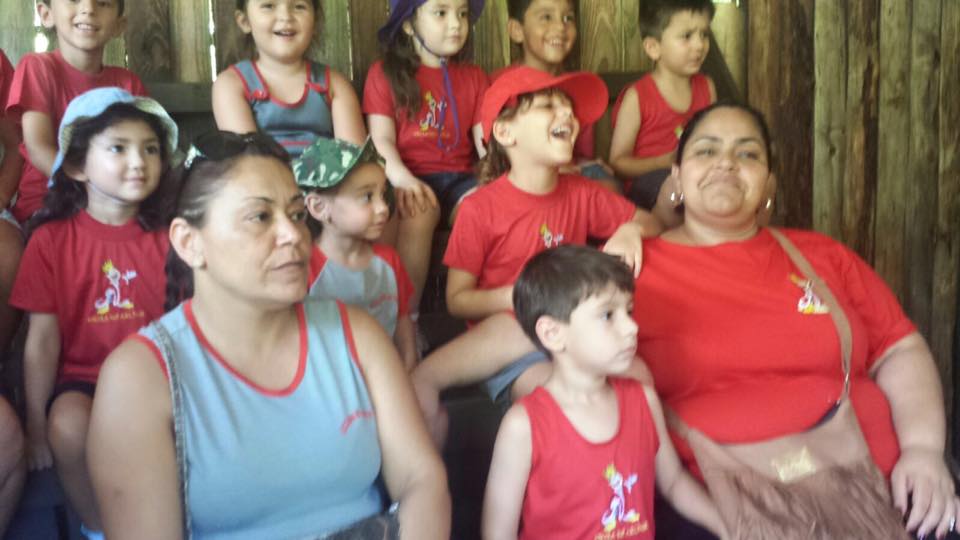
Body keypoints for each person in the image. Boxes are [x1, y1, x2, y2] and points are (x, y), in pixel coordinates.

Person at [86, 131, 450, 539]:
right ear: (189, 242)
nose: (293, 234)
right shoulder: (142, 376)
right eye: (260, 217)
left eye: (296, 214)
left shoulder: (357, 335)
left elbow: (421, 477)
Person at [632, 102, 960, 540]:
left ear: (768, 182)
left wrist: (923, 451)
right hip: (719, 509)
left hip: (883, 492)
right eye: (706, 151)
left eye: (747, 153)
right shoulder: (631, 270)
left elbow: (899, 348)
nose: (726, 162)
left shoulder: (822, 255)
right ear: (676, 176)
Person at [411, 67, 662, 446]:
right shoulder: (479, 208)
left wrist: (630, 230)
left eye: (568, 107)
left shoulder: (582, 192)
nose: (567, 114)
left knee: (637, 377)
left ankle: (639, 472)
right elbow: (458, 300)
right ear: (505, 133)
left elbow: (653, 222)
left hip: (572, 331)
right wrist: (520, 295)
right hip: (508, 342)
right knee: (560, 401)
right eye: (548, 105)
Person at [9, 87, 177, 540]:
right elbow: (42, 341)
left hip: (157, 375)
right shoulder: (50, 241)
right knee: (67, 426)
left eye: (151, 149)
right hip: (84, 379)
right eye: (118, 148)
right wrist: (36, 425)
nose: (139, 161)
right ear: (77, 166)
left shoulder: (171, 237)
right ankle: (99, 528)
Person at [482, 245, 727, 540]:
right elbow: (498, 534)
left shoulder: (643, 399)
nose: (632, 327)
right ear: (552, 334)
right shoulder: (524, 425)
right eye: (608, 315)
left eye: (629, 311)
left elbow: (673, 482)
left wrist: (730, 529)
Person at [363, 0, 489, 308]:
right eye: (441, 13)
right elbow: (381, 141)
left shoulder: (473, 77)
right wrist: (403, 180)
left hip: (461, 178)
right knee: (418, 213)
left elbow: (484, 140)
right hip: (410, 176)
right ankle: (408, 317)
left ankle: (476, 307)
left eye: (462, 13)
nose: (456, 23)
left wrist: (495, 176)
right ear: (409, 24)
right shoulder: (385, 74)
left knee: (482, 209)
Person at [6, 0, 145, 223]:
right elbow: (38, 147)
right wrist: (94, 190)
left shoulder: (129, 84)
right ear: (46, 14)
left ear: (119, 25)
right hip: (46, 204)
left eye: (103, 3)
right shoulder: (37, 68)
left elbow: (141, 150)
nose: (89, 8)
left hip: (115, 205)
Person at [297, 137, 417, 370]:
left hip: (387, 377)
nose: (383, 208)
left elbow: (403, 323)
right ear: (319, 207)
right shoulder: (305, 268)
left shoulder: (389, 261)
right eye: (367, 197)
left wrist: (409, 370)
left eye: (383, 194)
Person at [608, 0, 716, 227]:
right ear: (653, 48)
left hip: (695, 174)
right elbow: (618, 163)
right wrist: (664, 162)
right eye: (687, 36)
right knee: (677, 188)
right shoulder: (638, 97)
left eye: (704, 34)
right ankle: (668, 243)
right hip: (651, 184)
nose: (699, 45)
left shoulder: (707, 87)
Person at [212, 0, 366, 155]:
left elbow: (354, 156)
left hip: (328, 170)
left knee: (370, 168)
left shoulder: (334, 84)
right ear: (245, 21)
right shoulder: (232, 84)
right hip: (262, 169)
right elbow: (247, 160)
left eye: (299, 6)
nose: (286, 17)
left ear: (315, 21)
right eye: (269, 6)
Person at [495, 0, 617, 190]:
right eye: (546, 17)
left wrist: (587, 164)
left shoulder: (579, 88)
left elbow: (579, 153)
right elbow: (493, 157)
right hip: (520, 176)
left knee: (609, 187)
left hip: (572, 170)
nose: (560, 26)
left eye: (568, 18)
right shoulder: (500, 87)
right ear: (516, 30)